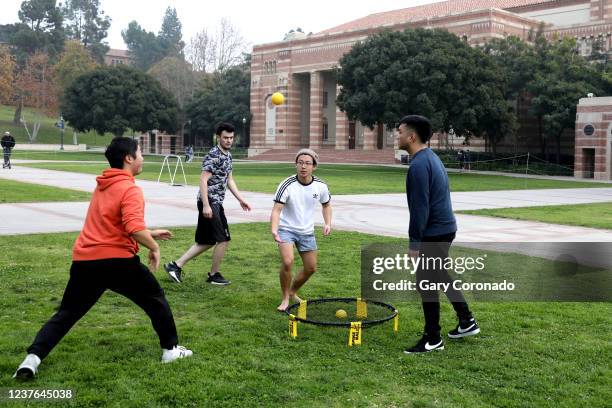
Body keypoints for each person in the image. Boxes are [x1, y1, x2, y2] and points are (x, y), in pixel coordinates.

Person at [13, 137, 192, 379]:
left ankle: (31, 360)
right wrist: (153, 247)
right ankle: (170, 350)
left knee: (67, 314)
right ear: (128, 158)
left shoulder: (103, 186)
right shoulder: (130, 188)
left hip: (85, 262)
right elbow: (133, 229)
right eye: (140, 153)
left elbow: (112, 225)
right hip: (117, 262)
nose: (142, 158)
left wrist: (150, 233)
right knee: (155, 298)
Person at [396, 115, 480, 354]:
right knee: (439, 275)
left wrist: (414, 244)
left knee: (427, 282)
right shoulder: (430, 157)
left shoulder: (419, 165)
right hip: (445, 228)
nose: (397, 135)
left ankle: (433, 338)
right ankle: (466, 320)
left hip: (435, 232)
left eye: (400, 132)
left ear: (411, 136)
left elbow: (420, 209)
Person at [164, 123, 251, 285]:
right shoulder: (214, 155)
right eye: (225, 137)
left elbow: (229, 180)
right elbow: (203, 179)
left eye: (231, 138)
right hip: (210, 202)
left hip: (215, 202)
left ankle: (174, 266)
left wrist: (241, 199)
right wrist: (206, 205)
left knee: (207, 241)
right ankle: (214, 275)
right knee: (223, 239)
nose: (229, 141)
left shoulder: (228, 155)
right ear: (218, 137)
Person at [270, 149, 332, 311]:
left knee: (311, 268)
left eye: (307, 163)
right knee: (288, 261)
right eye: (300, 163)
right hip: (286, 229)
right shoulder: (287, 184)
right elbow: (276, 210)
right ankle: (285, 299)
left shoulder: (321, 186)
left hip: (307, 231)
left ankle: (292, 292)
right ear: (296, 164)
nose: (303, 166)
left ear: (314, 167)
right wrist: (274, 230)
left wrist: (327, 223)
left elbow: (326, 205)